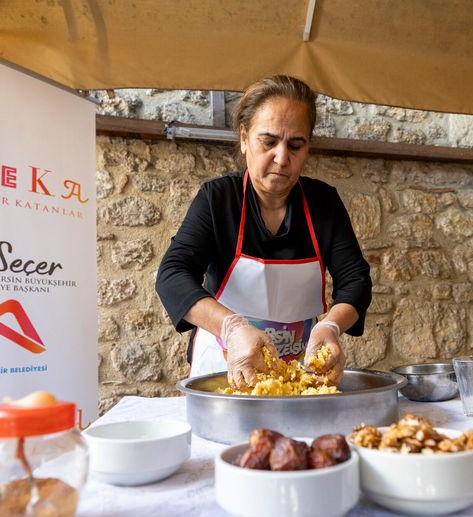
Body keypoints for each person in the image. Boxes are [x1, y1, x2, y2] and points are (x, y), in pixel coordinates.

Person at [155, 74, 372, 390]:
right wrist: (231, 327)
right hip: (225, 370)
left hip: (301, 373)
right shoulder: (218, 200)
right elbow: (172, 276)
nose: (282, 158)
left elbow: (356, 281)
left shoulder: (324, 203)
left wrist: (331, 328)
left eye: (296, 145)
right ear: (244, 138)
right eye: (268, 142)